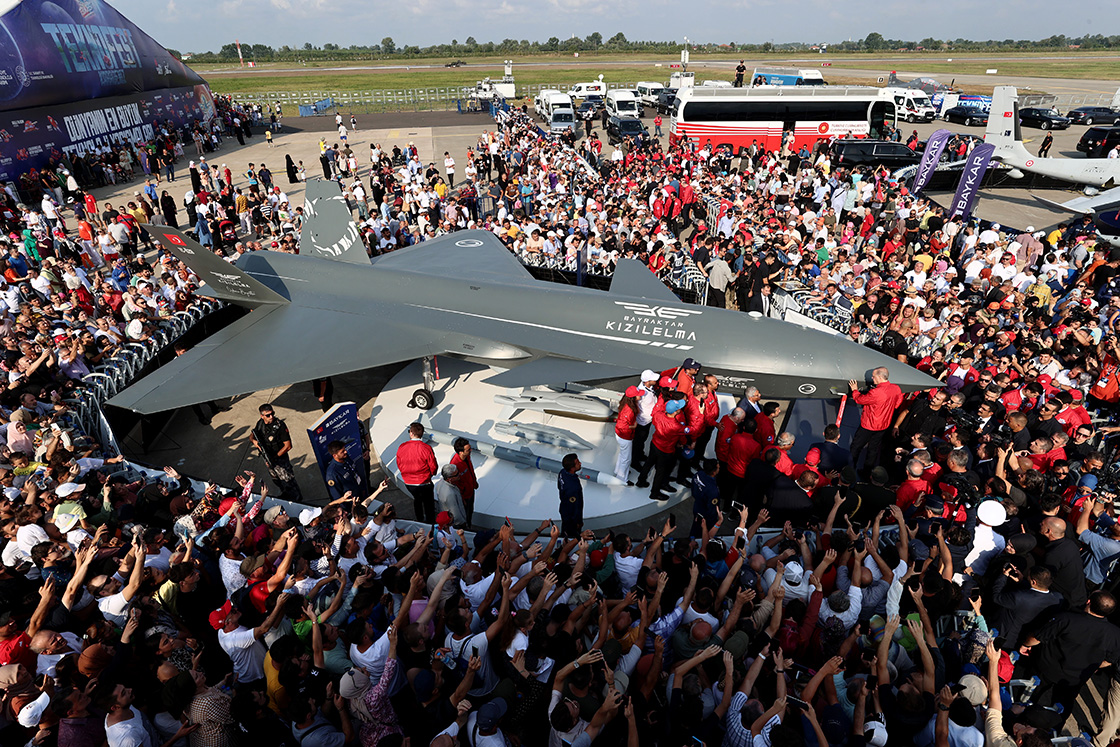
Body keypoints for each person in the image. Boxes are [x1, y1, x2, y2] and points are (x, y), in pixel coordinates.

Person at [848, 366, 903, 474]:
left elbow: (860, 399)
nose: (872, 378)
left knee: (856, 447)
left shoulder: (876, 392)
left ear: (879, 377)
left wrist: (854, 390)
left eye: (873, 377)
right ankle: (867, 471)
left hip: (868, 425)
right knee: (873, 449)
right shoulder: (896, 388)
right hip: (883, 425)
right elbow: (898, 401)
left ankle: (850, 469)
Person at [249, 404, 302, 501]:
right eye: (268, 415)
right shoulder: (260, 424)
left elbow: (288, 446)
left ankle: (296, 499)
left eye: (272, 413)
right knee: (277, 480)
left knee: (288, 480)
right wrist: (254, 442)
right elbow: (252, 436)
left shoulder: (280, 426)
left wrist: (274, 457)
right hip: (268, 458)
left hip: (280, 458)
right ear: (262, 416)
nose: (271, 416)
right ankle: (285, 494)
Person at [395, 422, 438, 523]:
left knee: (417, 500)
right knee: (428, 503)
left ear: (411, 433)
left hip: (409, 483)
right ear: (422, 434)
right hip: (424, 482)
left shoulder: (402, 447)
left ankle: (419, 520)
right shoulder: (426, 448)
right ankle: (430, 522)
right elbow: (433, 466)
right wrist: (431, 474)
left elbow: (399, 463)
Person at [449, 437, 479, 528]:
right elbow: (455, 485)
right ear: (461, 452)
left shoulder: (467, 457)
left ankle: (468, 524)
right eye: (468, 449)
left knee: (470, 511)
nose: (471, 450)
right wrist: (462, 499)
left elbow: (470, 470)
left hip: (470, 490)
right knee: (465, 513)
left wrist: (474, 482)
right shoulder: (455, 465)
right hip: (464, 496)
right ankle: (465, 529)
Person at [614, 386, 640, 483]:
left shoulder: (625, 404)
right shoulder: (629, 410)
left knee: (622, 455)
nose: (640, 395)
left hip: (621, 435)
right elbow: (622, 425)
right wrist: (633, 426)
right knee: (626, 459)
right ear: (633, 397)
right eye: (638, 394)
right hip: (625, 436)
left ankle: (618, 471)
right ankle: (621, 479)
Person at [557, 453, 584, 537]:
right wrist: (578, 522)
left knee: (565, 528)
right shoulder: (573, 488)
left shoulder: (562, 473)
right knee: (572, 535)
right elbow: (575, 507)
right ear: (572, 468)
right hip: (571, 518)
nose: (580, 463)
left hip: (564, 510)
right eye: (577, 462)